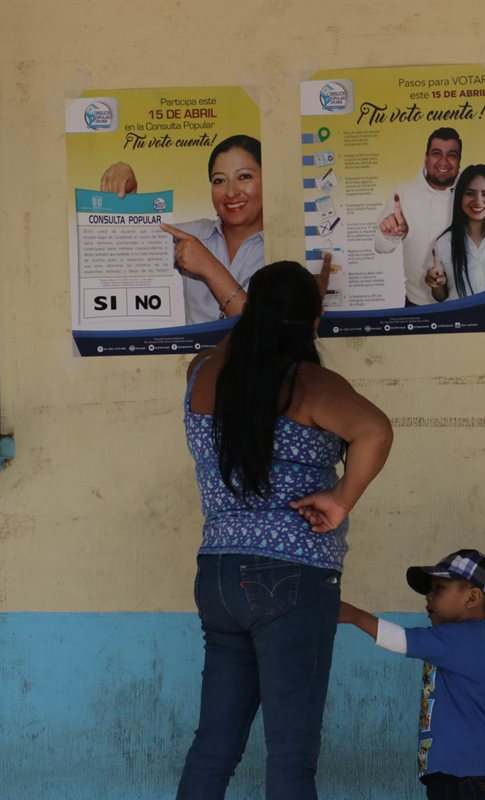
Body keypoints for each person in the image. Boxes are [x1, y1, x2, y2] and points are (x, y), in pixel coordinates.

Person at [177, 261, 393, 800]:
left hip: (218, 575)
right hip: (291, 579)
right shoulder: (311, 383)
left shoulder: (203, 373)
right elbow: (374, 431)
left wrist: (260, 298)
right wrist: (341, 500)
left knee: (213, 748)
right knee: (292, 757)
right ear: (310, 323)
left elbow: (250, 333)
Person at [338, 549, 485, 800]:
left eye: (439, 588)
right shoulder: (469, 641)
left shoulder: (462, 638)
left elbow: (399, 639)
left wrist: (352, 615)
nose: (428, 596)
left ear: (472, 598)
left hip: (462, 772)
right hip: (466, 770)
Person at [99, 134, 264, 324]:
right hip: (198, 355)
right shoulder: (194, 235)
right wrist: (128, 199)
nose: (231, 192)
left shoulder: (284, 244)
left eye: (244, 177)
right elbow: (123, 247)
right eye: (219, 180)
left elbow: (264, 332)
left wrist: (209, 267)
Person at [373, 127, 462, 306]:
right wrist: (391, 234)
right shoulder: (404, 193)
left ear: (459, 161)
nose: (444, 162)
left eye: (452, 155)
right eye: (436, 153)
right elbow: (380, 246)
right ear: (426, 158)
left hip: (466, 302)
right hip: (417, 304)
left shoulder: (472, 193)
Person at [425, 164, 485, 301]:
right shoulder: (444, 242)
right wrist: (436, 284)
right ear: (460, 197)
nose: (478, 201)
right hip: (462, 320)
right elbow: (441, 297)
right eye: (470, 193)